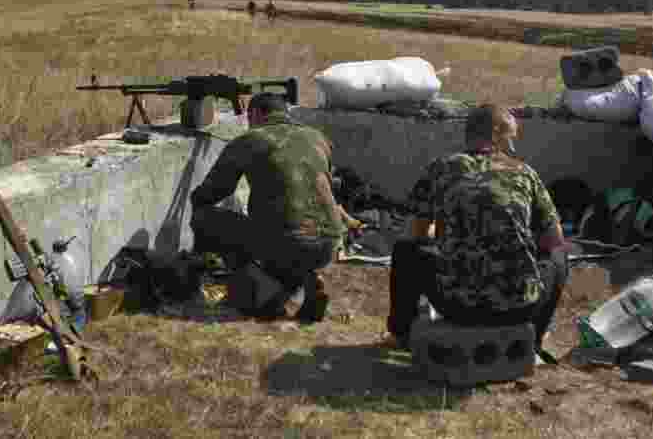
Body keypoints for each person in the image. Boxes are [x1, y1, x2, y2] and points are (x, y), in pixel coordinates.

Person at [386, 104, 570, 361]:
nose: (513, 148)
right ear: (496, 133)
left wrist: (450, 233)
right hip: (518, 309)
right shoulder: (525, 173)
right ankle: (534, 338)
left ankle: (401, 333)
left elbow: (416, 233)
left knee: (406, 250)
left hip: (457, 306)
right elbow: (554, 239)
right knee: (559, 255)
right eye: (510, 138)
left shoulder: (441, 168)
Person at [190, 92, 349, 322]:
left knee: (205, 218)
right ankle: (306, 279)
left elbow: (215, 191)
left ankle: (261, 288)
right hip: (329, 244)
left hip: (286, 242)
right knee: (285, 236)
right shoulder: (318, 137)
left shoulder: (251, 140)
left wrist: (195, 203)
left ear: (255, 114)